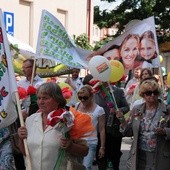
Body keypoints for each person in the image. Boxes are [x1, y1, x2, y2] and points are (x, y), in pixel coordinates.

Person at [18, 82, 88, 170]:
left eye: (45, 98)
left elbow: (85, 151)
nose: (40, 102)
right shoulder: (30, 120)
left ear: (57, 99)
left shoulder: (69, 119)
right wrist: (21, 138)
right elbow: (26, 152)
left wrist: (71, 146)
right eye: (39, 98)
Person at [116, 79, 170, 170]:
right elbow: (129, 132)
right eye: (149, 93)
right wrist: (122, 120)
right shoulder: (137, 109)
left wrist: (165, 131)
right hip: (140, 156)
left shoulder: (167, 109)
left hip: (160, 155)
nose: (152, 95)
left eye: (155, 92)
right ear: (143, 94)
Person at [83, 75, 129, 170]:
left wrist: (118, 110)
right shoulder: (94, 93)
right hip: (100, 130)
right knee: (101, 156)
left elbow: (126, 107)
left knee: (115, 156)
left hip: (114, 130)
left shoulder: (118, 91)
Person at [76, 85, 105, 170]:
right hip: (77, 142)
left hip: (91, 142)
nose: (82, 100)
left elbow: (102, 129)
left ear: (91, 96)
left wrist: (102, 147)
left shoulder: (99, 110)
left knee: (86, 166)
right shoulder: (77, 105)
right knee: (77, 166)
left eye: (85, 98)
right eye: (80, 97)